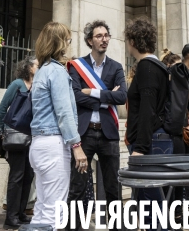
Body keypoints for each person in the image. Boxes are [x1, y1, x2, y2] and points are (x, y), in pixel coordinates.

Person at [67, 20, 127, 230]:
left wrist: (90, 92)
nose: (104, 39)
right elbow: (74, 96)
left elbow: (121, 96)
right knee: (77, 186)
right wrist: (105, 97)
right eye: (99, 36)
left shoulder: (116, 67)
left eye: (106, 35)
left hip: (108, 134)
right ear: (89, 40)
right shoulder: (77, 66)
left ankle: (115, 226)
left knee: (112, 187)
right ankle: (73, 226)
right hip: (85, 134)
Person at [28, 22, 87, 229]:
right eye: (68, 40)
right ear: (61, 43)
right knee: (55, 211)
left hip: (38, 144)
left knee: (42, 209)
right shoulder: (57, 71)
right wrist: (77, 146)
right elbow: (64, 112)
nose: (69, 45)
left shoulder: (42, 71)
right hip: (53, 144)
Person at [125, 17, 171, 231]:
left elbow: (147, 109)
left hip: (149, 143)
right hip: (156, 139)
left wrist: (141, 148)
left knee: (153, 204)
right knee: (149, 204)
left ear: (133, 41)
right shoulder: (159, 67)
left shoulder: (147, 67)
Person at [0, 56, 38, 230]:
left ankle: (21, 212)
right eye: (37, 65)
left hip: (32, 138)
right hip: (16, 137)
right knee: (16, 177)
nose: (39, 67)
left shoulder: (37, 86)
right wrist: (4, 131)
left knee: (28, 176)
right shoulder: (17, 84)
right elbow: (1, 109)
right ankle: (11, 217)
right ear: (29, 67)